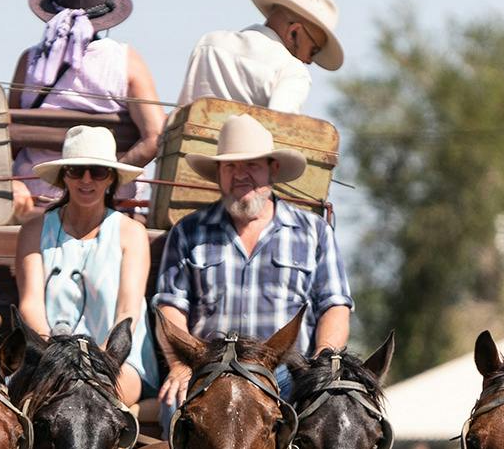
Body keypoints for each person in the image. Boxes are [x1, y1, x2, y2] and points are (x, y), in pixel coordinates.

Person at [150, 114, 352, 409]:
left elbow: (334, 306)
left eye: (252, 165)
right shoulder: (188, 231)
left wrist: (322, 362)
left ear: (273, 169)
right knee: (175, 409)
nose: (240, 174)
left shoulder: (314, 232)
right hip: (211, 375)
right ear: (218, 173)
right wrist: (180, 365)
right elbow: (170, 308)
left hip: (288, 375)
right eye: (230, 166)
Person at [8, 0, 163, 219]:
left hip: (36, 202)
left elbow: (9, 134)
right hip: (110, 204)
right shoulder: (126, 62)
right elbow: (155, 137)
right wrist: (107, 179)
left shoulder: (30, 61)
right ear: (105, 17)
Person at [14, 125, 158, 404]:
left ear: (111, 178)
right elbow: (30, 304)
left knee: (92, 395)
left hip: (118, 360)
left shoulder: (132, 233)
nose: (87, 179)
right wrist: (55, 359)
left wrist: (101, 361)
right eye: (76, 170)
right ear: (64, 177)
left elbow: (128, 312)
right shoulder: (33, 232)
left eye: (98, 171)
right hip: (49, 358)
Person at [175, 0, 345, 114]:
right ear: (294, 33)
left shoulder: (209, 43)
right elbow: (280, 134)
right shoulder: (292, 70)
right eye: (313, 51)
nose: (309, 61)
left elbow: (183, 117)